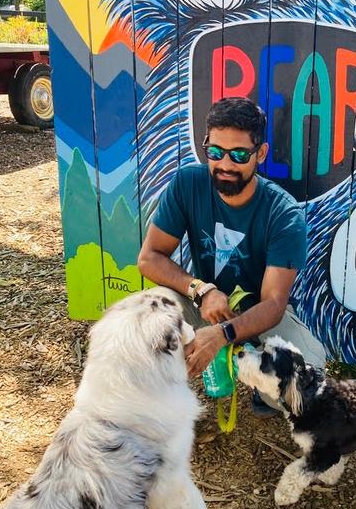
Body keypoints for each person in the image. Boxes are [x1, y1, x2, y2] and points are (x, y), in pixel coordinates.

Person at [137, 97, 326, 416]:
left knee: (308, 376)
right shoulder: (187, 183)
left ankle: (257, 382)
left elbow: (273, 305)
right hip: (205, 305)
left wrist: (223, 335)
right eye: (215, 152)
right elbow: (150, 258)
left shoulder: (284, 214)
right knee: (147, 313)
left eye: (238, 154)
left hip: (257, 317)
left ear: (260, 154)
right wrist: (202, 290)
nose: (224, 164)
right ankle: (162, 405)